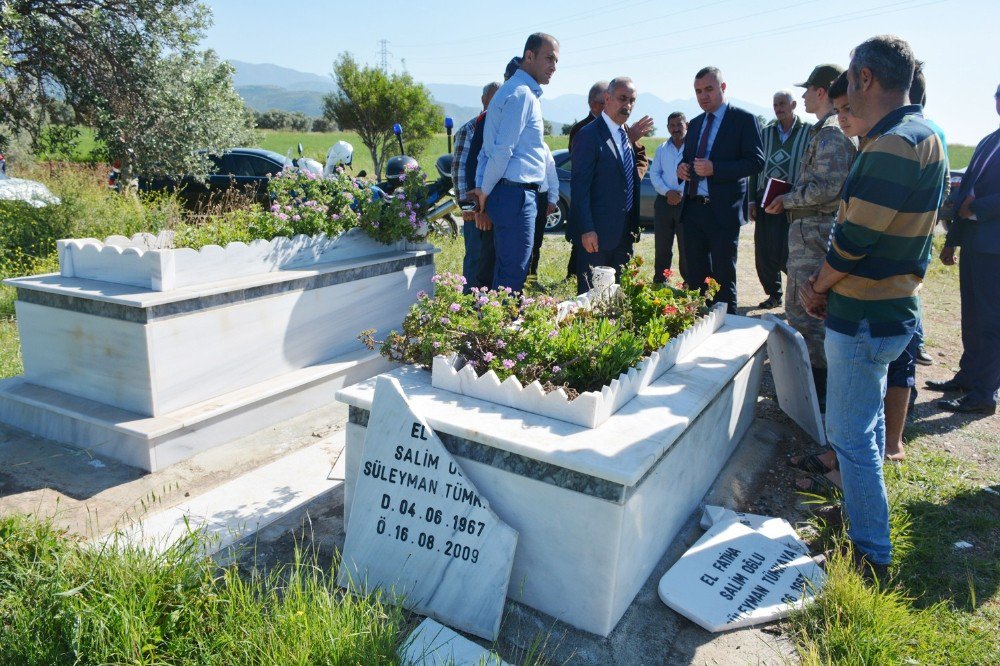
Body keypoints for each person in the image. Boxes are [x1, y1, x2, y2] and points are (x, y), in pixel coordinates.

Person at [800, 35, 947, 582]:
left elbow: (853, 239)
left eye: (850, 84)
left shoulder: (891, 145)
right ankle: (864, 511)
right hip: (889, 310)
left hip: (863, 312)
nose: (846, 102)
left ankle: (870, 553)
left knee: (851, 436)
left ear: (865, 79)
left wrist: (817, 286)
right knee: (864, 430)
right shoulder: (924, 132)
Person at [766, 65, 856, 405]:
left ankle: (818, 391)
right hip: (810, 230)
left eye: (807, 90)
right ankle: (813, 388)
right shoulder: (829, 129)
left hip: (816, 232)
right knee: (802, 308)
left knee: (809, 312)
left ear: (822, 92)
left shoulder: (832, 131)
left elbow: (828, 186)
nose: (803, 96)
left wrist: (786, 198)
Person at [928, 82, 1000, 415]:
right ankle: (968, 378)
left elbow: (977, 201)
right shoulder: (989, 140)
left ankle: (985, 392)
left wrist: (977, 209)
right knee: (972, 316)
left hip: (995, 247)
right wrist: (952, 238)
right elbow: (966, 187)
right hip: (973, 243)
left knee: (991, 322)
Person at [468, 34, 559, 292]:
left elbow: (489, 152)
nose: (554, 66)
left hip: (512, 193)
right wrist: (484, 191)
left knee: (508, 268)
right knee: (513, 272)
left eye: (556, 60)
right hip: (515, 194)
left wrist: (484, 188)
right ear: (529, 56)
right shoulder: (521, 95)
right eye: (549, 58)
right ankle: (501, 329)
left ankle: (497, 325)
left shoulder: (517, 92)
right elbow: (501, 150)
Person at [677, 66, 764, 313]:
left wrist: (716, 168)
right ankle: (697, 325)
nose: (703, 96)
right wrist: (682, 170)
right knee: (695, 277)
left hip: (723, 212)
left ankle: (727, 333)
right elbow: (688, 158)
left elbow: (756, 162)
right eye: (698, 91)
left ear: (723, 88)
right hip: (693, 210)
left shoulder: (744, 120)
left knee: (724, 277)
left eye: (709, 89)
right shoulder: (694, 124)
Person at [570, 77, 648, 293]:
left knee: (616, 299)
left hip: (623, 234)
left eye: (632, 100)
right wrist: (587, 229)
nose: (628, 105)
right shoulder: (589, 135)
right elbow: (579, 188)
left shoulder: (625, 136)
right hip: (595, 237)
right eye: (622, 98)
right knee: (590, 298)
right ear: (607, 98)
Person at [749, 91, 812, 308]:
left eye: (783, 103)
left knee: (789, 249)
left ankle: (799, 297)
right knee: (764, 250)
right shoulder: (765, 133)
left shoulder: (809, 132)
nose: (778, 108)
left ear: (794, 105)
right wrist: (750, 201)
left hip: (793, 200)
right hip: (765, 197)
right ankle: (773, 294)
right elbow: (755, 167)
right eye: (775, 104)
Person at [452, 81, 500, 289]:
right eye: (494, 98)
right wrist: (468, 207)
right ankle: (469, 304)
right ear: (484, 100)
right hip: (474, 208)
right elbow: (460, 169)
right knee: (475, 256)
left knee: (492, 258)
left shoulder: (501, 129)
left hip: (495, 207)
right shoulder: (470, 129)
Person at [649, 112, 689, 282]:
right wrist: (668, 192)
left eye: (679, 125)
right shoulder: (661, 149)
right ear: (667, 128)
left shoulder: (693, 148)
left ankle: (690, 284)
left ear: (686, 125)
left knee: (687, 247)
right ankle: (660, 282)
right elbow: (654, 174)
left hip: (686, 203)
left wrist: (679, 192)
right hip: (664, 203)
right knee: (662, 246)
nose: (676, 129)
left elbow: (696, 175)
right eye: (672, 126)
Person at [528, 144, 560, 279]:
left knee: (536, 240)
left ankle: (532, 277)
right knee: (522, 240)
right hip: (522, 194)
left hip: (541, 197)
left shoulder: (543, 146)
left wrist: (552, 199)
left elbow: (551, 173)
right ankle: (519, 279)